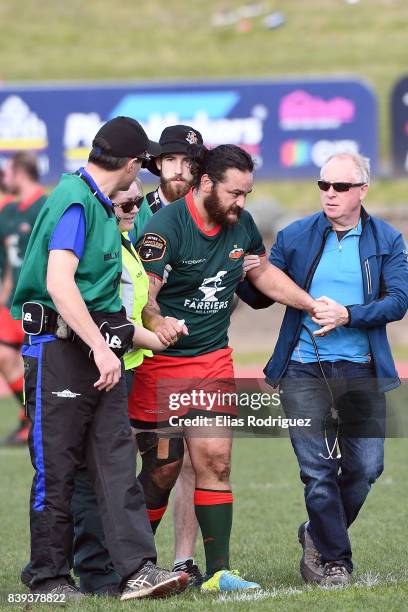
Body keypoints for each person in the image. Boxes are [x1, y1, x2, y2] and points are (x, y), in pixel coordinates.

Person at [11, 116, 188, 600]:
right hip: (60, 351)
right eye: (143, 163)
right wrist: (99, 347)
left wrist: (126, 340)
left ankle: (135, 571)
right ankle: (46, 578)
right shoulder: (74, 200)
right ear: (131, 164)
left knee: (114, 464)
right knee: (58, 469)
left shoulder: (98, 204)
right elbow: (59, 283)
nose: (143, 173)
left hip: (95, 350)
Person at [130, 144, 321, 592]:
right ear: (206, 184)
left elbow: (262, 273)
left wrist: (311, 305)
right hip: (162, 365)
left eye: (247, 194)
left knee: (215, 460)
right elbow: (145, 298)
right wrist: (160, 324)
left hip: (213, 360)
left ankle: (219, 573)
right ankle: (129, 564)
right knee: (161, 471)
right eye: (235, 193)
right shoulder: (165, 227)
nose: (241, 203)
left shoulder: (242, 225)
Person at [263, 152, 408, 586]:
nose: (330, 193)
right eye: (324, 185)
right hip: (303, 369)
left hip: (361, 368)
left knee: (366, 468)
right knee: (317, 471)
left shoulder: (387, 239)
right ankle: (335, 560)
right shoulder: (295, 235)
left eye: (340, 187)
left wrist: (349, 314)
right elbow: (261, 292)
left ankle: (316, 533)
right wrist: (246, 267)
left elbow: (399, 301)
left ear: (362, 190)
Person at [71, 177, 177, 596]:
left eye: (137, 203)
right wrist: (152, 337)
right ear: (104, 206)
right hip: (99, 367)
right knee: (91, 473)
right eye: (124, 204)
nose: (134, 210)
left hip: (124, 365)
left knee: (104, 471)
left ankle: (95, 569)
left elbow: (131, 316)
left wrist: (162, 333)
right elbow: (104, 316)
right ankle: (93, 572)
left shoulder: (125, 241)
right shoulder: (102, 248)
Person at [130, 124, 205, 584]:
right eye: (173, 160)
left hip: (199, 353)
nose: (181, 170)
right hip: (142, 356)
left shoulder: (209, 214)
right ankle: (133, 556)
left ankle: (183, 561)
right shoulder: (134, 211)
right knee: (159, 463)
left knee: (199, 460)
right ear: (157, 163)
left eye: (191, 162)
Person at [0, 153, 47, 446]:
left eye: (7, 172)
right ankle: (30, 417)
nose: (4, 178)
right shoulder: (8, 212)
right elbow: (7, 263)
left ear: (19, 172)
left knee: (39, 366)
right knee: (5, 356)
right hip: (12, 302)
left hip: (40, 302)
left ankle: (37, 421)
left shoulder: (47, 206)